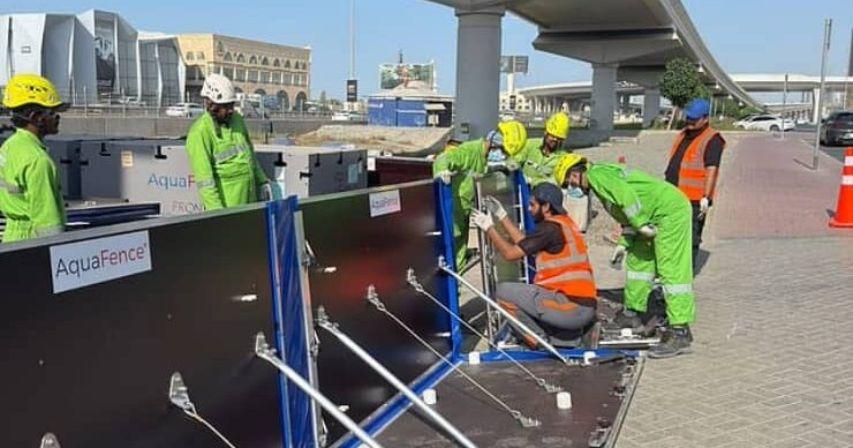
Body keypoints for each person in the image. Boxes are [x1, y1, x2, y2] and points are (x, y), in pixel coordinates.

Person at [554, 155, 694, 358]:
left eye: (569, 182)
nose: (572, 187)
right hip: (650, 215)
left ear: (575, 174)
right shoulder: (599, 179)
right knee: (638, 265)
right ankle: (632, 313)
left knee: (671, 268)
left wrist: (641, 224)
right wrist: (624, 243)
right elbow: (625, 213)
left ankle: (680, 330)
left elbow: (626, 196)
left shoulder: (596, 175)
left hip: (670, 212)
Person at [470, 183, 597, 348]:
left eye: (533, 204)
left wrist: (489, 228)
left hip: (571, 309)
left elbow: (510, 254)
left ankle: (540, 342)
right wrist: (502, 216)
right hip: (582, 307)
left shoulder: (549, 229)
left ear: (546, 207)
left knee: (503, 292)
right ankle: (567, 337)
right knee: (525, 294)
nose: (529, 209)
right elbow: (525, 244)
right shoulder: (563, 223)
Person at [432, 120, 527, 269]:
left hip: (462, 215)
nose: (502, 156)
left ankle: (456, 289)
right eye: (503, 152)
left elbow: (476, 175)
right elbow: (442, 159)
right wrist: (442, 172)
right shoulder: (469, 152)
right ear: (495, 142)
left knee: (458, 262)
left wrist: (500, 169)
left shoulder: (483, 158)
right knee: (448, 260)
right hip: (451, 214)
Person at [186, 73, 271, 211]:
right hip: (228, 205)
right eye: (225, 106)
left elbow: (250, 154)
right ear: (211, 104)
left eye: (231, 104)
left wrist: (262, 181)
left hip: (250, 200)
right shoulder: (200, 133)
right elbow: (205, 182)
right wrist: (218, 214)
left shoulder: (237, 120)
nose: (231, 110)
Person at [0, 74, 67, 243]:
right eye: (53, 113)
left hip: (11, 237)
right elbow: (48, 224)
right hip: (33, 241)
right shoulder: (38, 161)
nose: (58, 118)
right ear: (36, 117)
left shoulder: (9, 147)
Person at [665, 98, 725, 269]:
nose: (689, 121)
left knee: (690, 238)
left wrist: (706, 197)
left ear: (705, 118)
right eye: (688, 118)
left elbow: (712, 169)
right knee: (671, 236)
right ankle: (669, 273)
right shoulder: (683, 134)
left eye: (694, 119)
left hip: (694, 200)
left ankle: (683, 277)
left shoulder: (713, 139)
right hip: (673, 194)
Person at [513, 112, 571, 186]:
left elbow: (554, 180)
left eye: (559, 138)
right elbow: (517, 159)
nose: (555, 139)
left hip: (543, 194)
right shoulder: (530, 144)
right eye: (553, 136)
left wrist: (532, 181)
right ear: (545, 133)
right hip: (522, 190)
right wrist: (513, 165)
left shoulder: (562, 158)